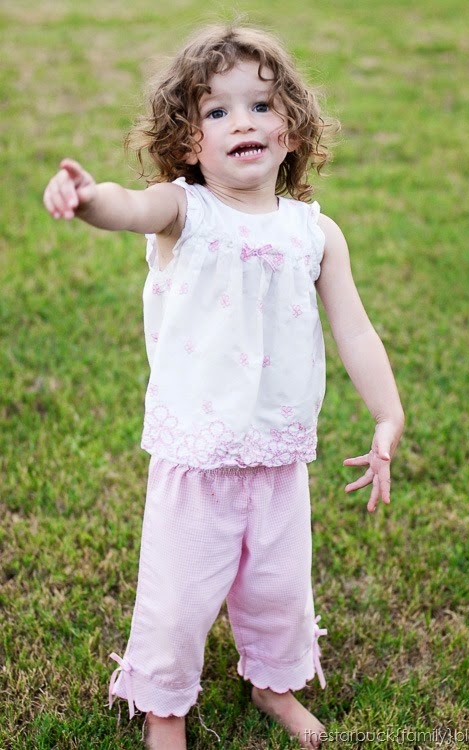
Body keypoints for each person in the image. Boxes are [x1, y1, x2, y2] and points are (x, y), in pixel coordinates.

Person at [43, 23, 404, 750]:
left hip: (277, 453)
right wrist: (89, 200)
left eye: (262, 106)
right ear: (186, 142)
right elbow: (130, 207)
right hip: (197, 455)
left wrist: (387, 413)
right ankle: (164, 706)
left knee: (278, 590)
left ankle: (274, 681)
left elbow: (356, 330)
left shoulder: (315, 233)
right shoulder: (185, 213)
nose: (243, 121)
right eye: (217, 111)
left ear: (294, 129)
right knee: (178, 600)